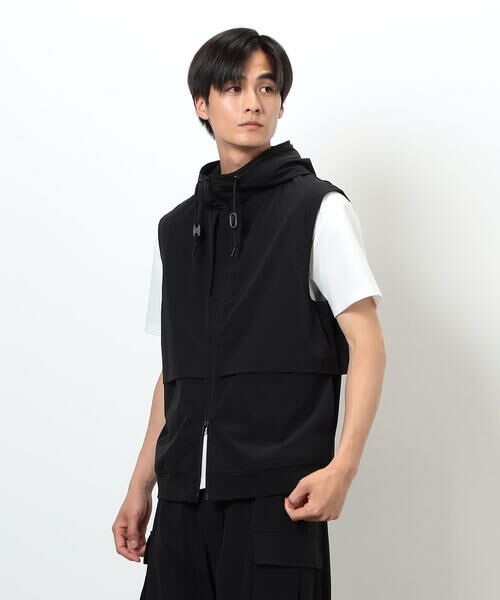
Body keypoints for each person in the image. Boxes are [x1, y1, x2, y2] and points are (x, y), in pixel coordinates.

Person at [112, 27, 386, 600]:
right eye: (234, 88)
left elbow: (367, 343)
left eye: (267, 88)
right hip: (180, 508)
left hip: (276, 504)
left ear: (281, 102)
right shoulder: (175, 230)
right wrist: (142, 484)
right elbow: (175, 373)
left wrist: (344, 467)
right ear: (202, 104)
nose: (253, 103)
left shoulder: (319, 209)